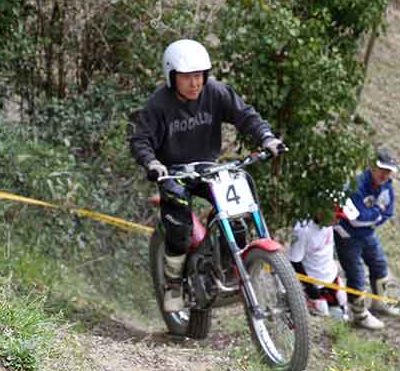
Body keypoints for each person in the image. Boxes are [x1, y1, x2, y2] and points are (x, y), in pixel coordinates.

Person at [129, 39, 283, 312]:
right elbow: (141, 139)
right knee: (178, 225)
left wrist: (267, 137)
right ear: (171, 76)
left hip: (208, 168)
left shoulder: (216, 92)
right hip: (173, 173)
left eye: (199, 75)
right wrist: (152, 162)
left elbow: (245, 115)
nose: (194, 83)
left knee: (237, 214)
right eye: (187, 77)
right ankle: (173, 284)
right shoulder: (158, 104)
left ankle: (227, 268)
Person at [333, 148, 400, 330]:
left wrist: (373, 215)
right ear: (372, 166)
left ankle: (380, 302)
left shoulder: (387, 186)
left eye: (389, 171)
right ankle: (360, 315)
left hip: (368, 233)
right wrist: (376, 213)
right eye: (382, 169)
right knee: (356, 274)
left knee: (379, 264)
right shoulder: (356, 184)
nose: (385, 175)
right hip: (347, 236)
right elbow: (355, 218)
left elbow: (388, 211)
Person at [288, 217, 348, 320]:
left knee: (343, 300)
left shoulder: (330, 224)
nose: (339, 221)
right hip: (313, 280)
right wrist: (309, 286)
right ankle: (307, 299)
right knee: (323, 311)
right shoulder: (303, 231)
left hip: (331, 274)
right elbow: (295, 261)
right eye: (337, 217)